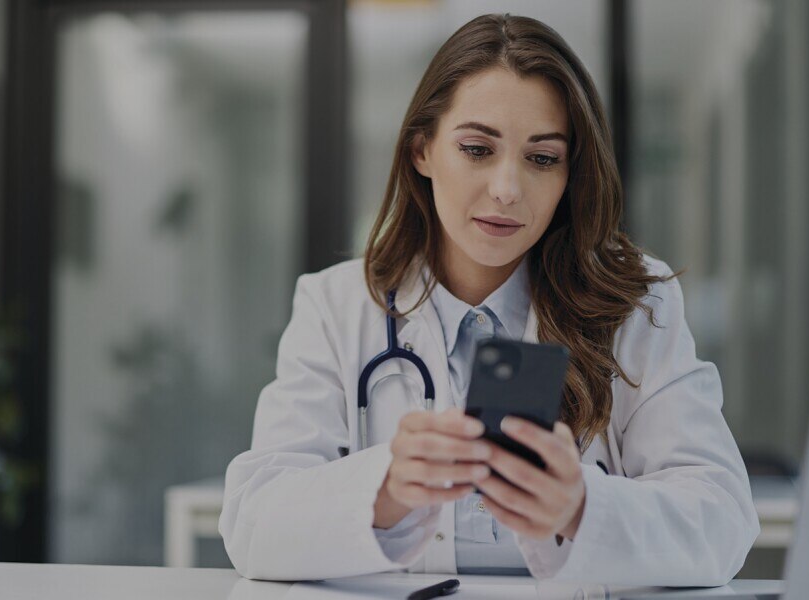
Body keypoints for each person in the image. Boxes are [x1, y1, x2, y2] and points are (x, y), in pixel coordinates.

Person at [218, 13, 759, 585]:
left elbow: (722, 520)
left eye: (542, 158)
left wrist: (581, 506)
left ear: (569, 174)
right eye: (477, 149)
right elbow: (253, 524)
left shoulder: (635, 304)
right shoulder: (337, 305)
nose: (507, 189)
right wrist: (385, 488)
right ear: (421, 151)